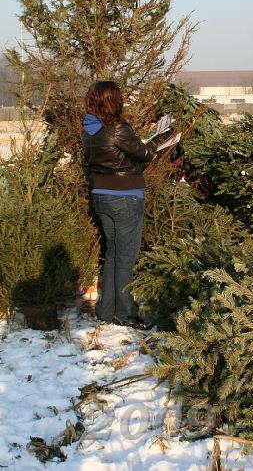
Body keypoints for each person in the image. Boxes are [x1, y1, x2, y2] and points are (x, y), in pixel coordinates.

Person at [81, 81, 157, 329]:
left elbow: (113, 158)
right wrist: (154, 142)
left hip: (100, 196)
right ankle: (126, 314)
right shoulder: (117, 129)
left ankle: (106, 311)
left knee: (113, 253)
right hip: (125, 196)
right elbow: (144, 155)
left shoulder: (89, 129)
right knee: (126, 256)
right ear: (114, 101)